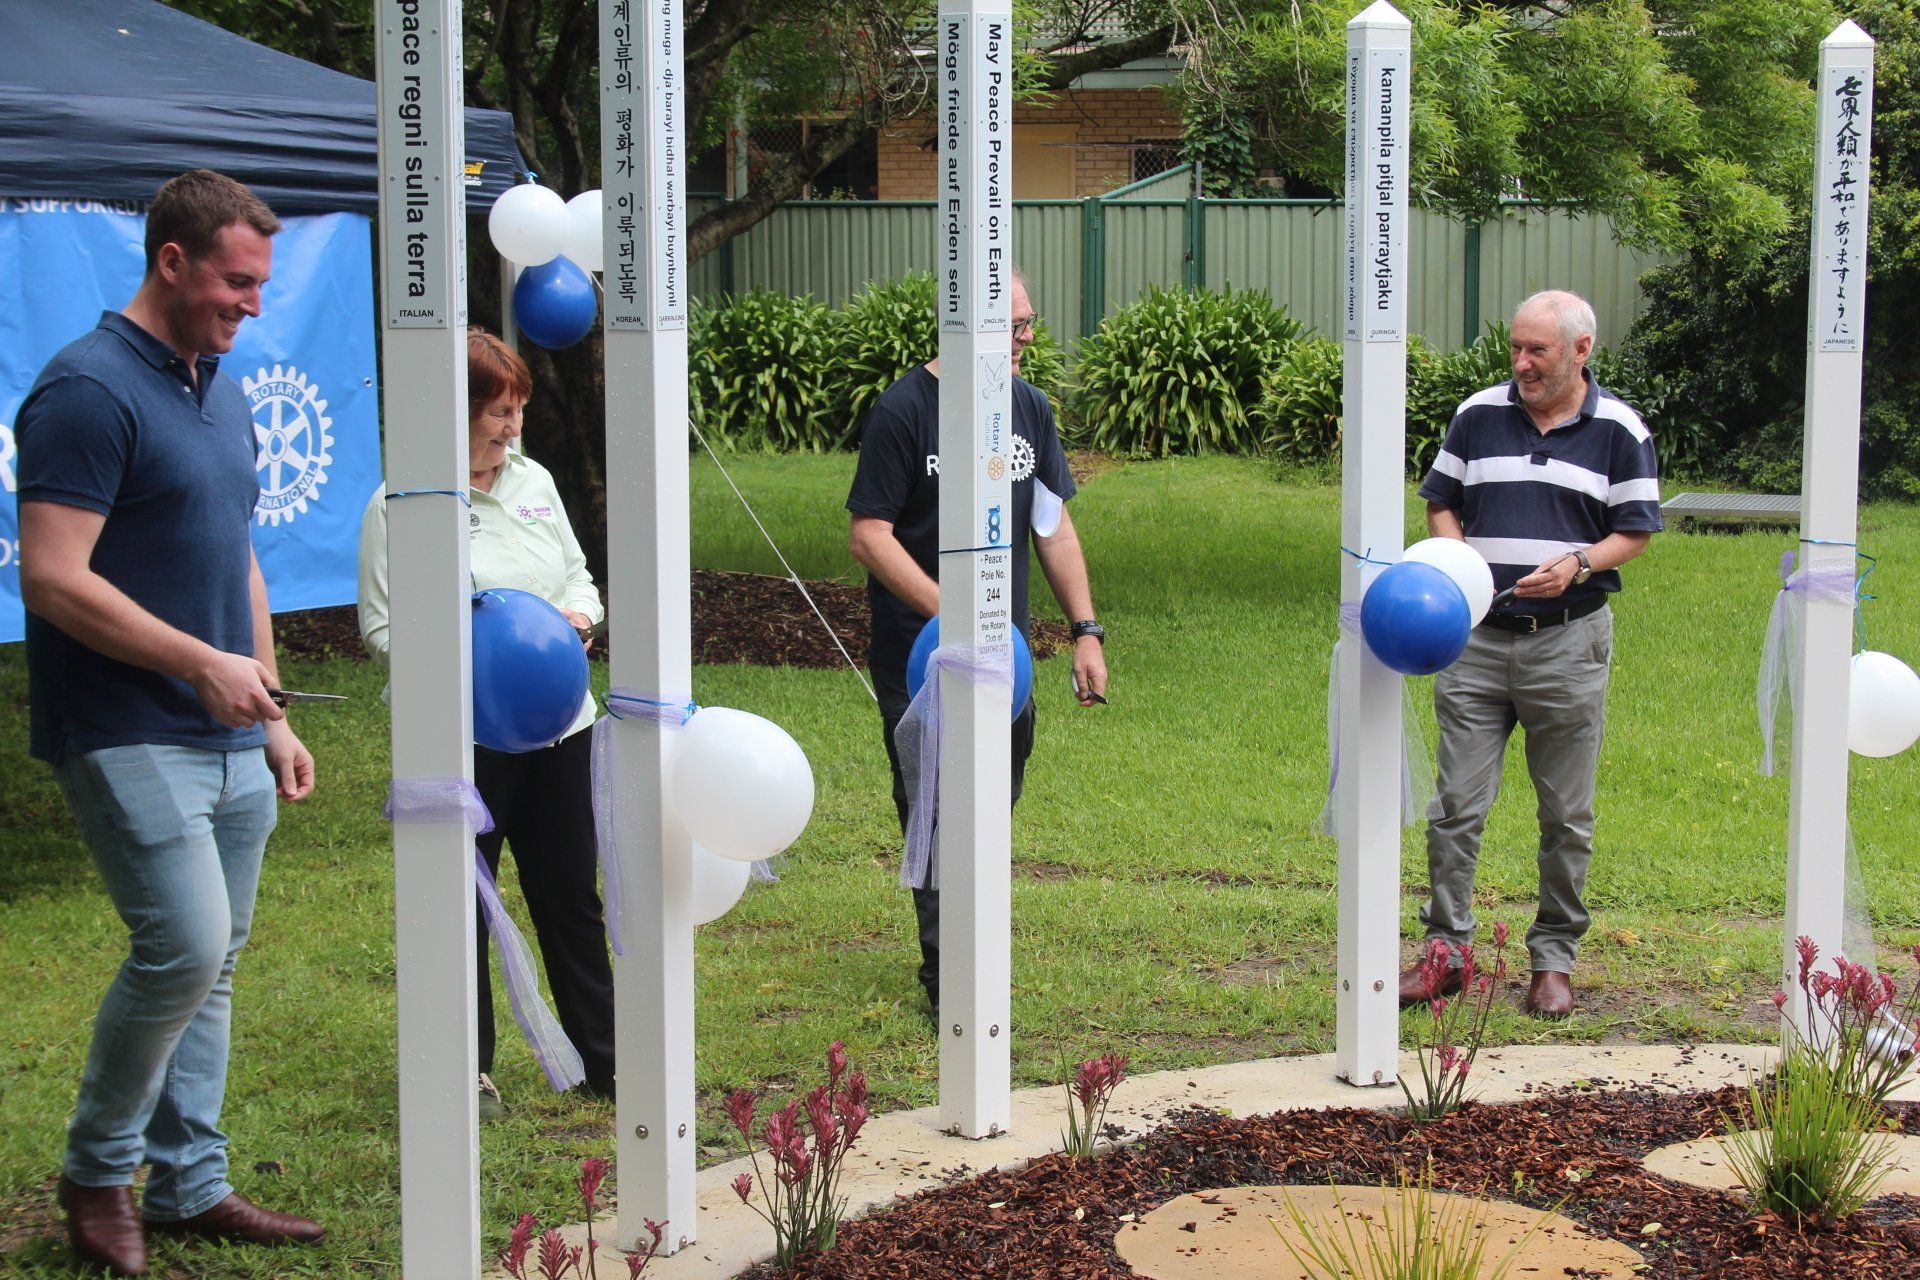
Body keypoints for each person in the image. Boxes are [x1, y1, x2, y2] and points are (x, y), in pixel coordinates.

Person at [16, 170, 323, 1277]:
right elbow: (52, 579)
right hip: (123, 723)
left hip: (232, 731)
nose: (252, 305)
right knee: (183, 945)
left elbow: (235, 551)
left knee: (218, 961)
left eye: (262, 286)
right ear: (173, 261)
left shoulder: (220, 384)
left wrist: (271, 706)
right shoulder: (86, 392)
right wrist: (200, 665)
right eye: (237, 283)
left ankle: (189, 1183)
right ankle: (97, 1173)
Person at [357, 327, 614, 1118]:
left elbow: (580, 576)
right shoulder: (402, 501)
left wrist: (576, 616)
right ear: (452, 411)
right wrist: (468, 654)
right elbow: (381, 629)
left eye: (517, 410)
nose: (510, 427)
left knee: (569, 891)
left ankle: (605, 1060)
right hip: (463, 736)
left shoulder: (535, 481)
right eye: (495, 412)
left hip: (561, 726)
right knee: (462, 899)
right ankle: (469, 1073)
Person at [846, 270, 1109, 1016]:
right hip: (920, 655)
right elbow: (870, 535)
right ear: (963, 329)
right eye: (1013, 326)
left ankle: (977, 950)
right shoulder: (904, 412)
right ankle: (950, 979)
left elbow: (1052, 526)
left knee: (994, 802)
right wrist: (952, 620)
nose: (1027, 339)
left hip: (1008, 662)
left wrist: (1085, 630)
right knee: (934, 804)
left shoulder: (1028, 408)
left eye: (1029, 322)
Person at [1403, 289, 1661, 1020]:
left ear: (1581, 350)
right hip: (1476, 641)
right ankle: (1445, 953)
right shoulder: (1477, 414)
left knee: (1566, 814)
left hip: (1568, 643)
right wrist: (1459, 563)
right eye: (1515, 348)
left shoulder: (1619, 429)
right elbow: (1441, 500)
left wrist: (1579, 564)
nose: (1520, 363)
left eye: (1536, 351)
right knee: (1455, 805)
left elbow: (1635, 529)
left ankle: (1553, 961)